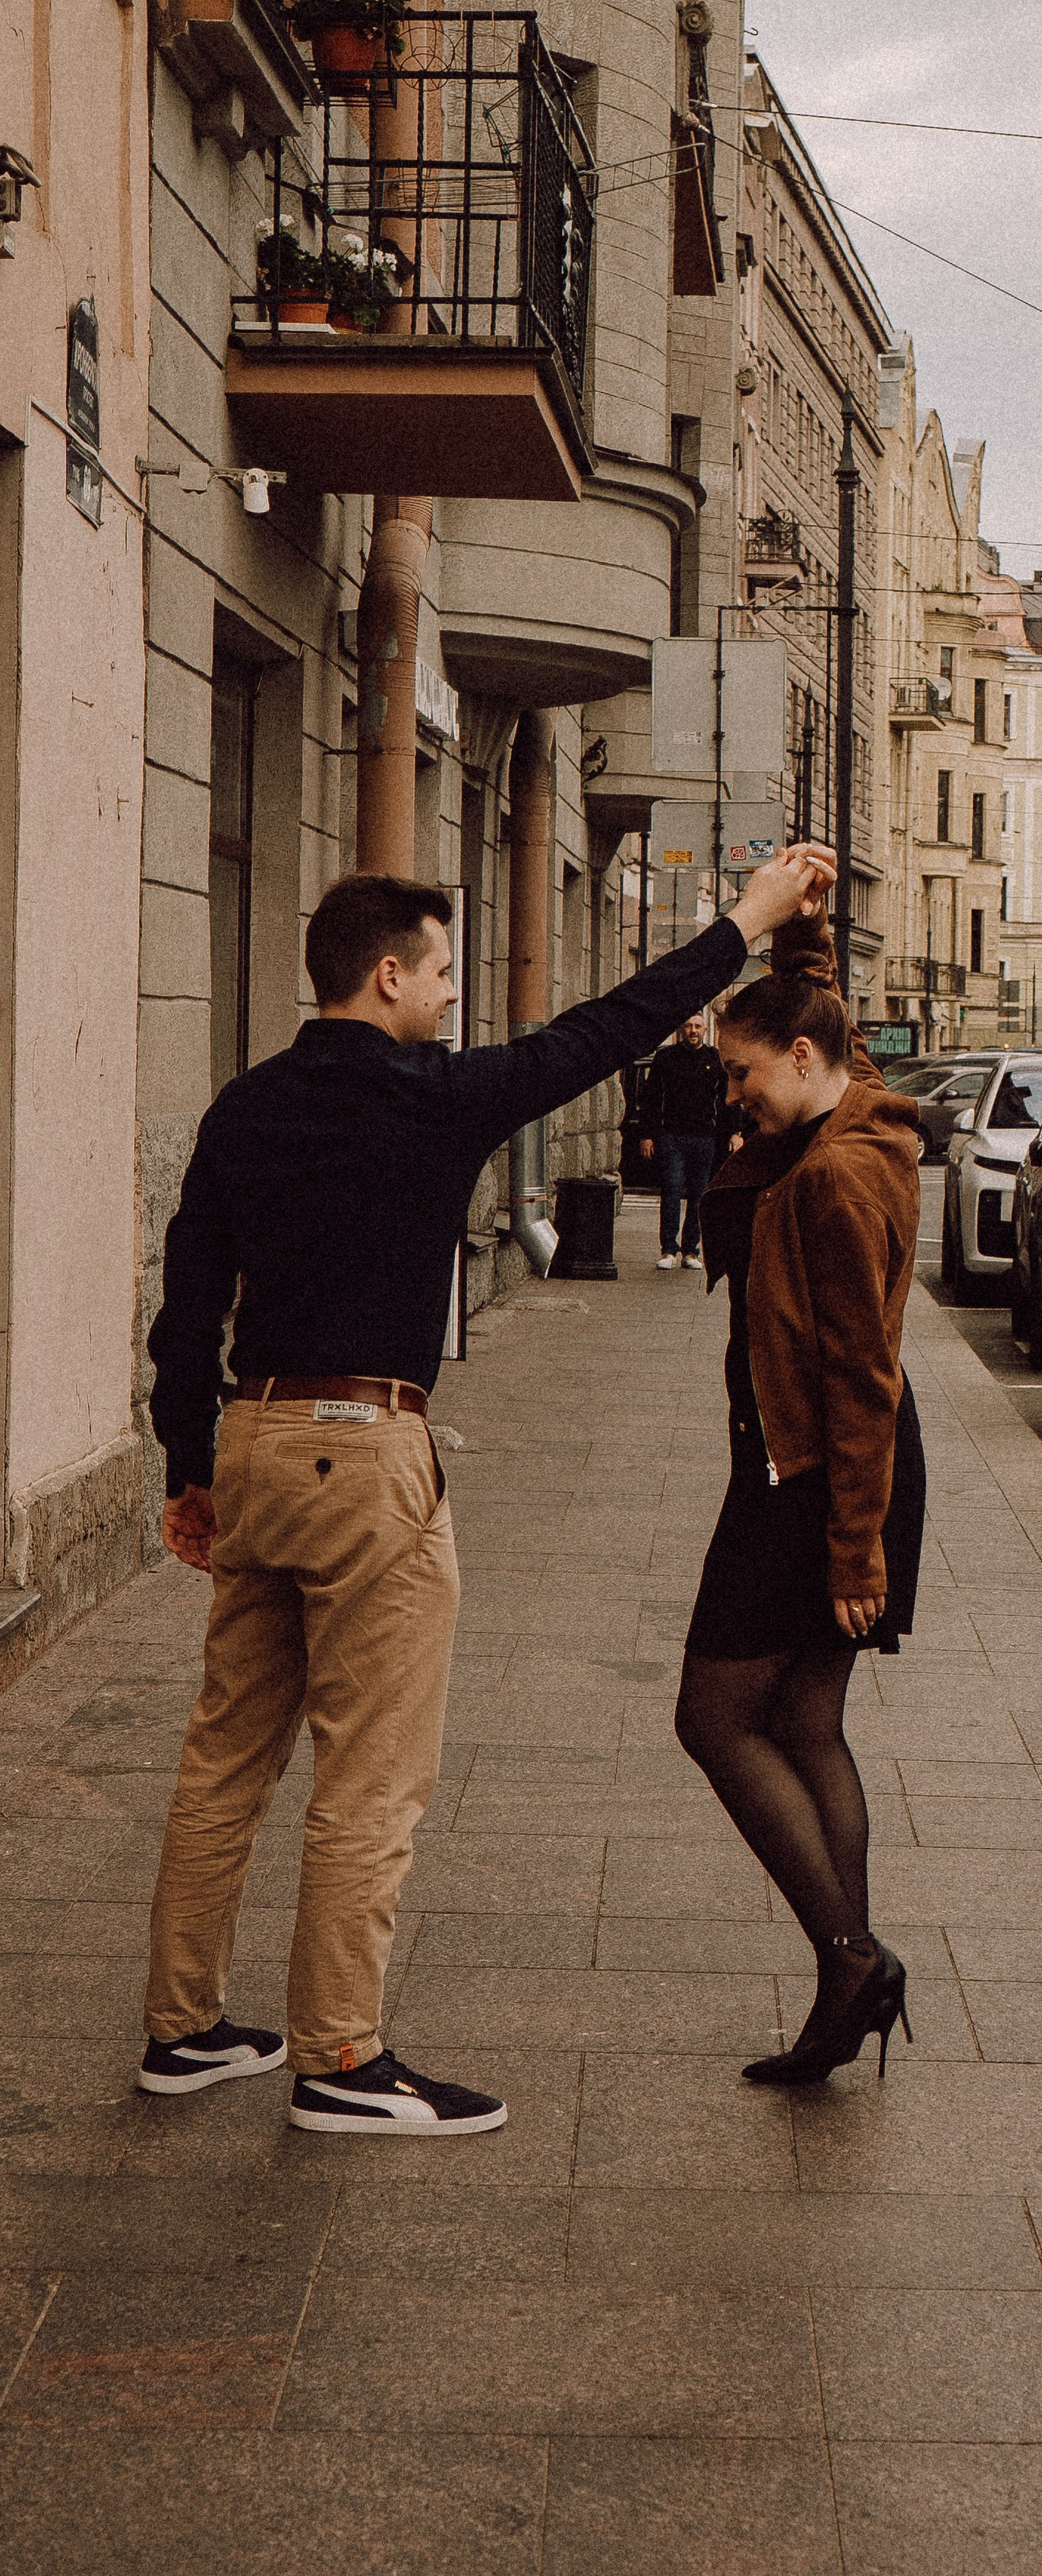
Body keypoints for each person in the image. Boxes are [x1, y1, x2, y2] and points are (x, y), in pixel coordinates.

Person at [139, 842, 836, 2136]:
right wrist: (746, 917)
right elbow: (607, 1029)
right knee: (371, 1774)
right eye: (445, 973)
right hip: (366, 1455)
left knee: (227, 1752)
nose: (455, 996)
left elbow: (188, 1308)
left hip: (255, 1443)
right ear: (389, 976)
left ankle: (181, 2030)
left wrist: (191, 1465)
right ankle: (341, 2059)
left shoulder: (243, 1107)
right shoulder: (432, 1101)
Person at [674, 899, 926, 2086]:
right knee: (809, 1722)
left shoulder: (832, 1181)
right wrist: (803, 945)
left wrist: (854, 1554)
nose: (735, 1099)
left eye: (744, 1076)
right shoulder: (857, 1105)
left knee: (716, 1721)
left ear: (804, 1060)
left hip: (815, 1478)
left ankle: (850, 1958)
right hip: (823, 1469)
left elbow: (861, 1379)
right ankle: (845, 1990)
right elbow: (828, 1019)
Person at [637, 1011, 727, 1270]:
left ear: (706, 1030)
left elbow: (727, 1100)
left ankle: (691, 1251)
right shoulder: (665, 1058)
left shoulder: (714, 1059)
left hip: (704, 1137)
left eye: (698, 1026)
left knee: (699, 1195)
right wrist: (647, 1134)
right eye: (688, 1026)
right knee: (672, 1190)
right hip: (671, 1136)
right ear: (680, 1030)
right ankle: (669, 1250)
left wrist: (734, 1132)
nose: (693, 1031)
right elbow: (650, 1099)